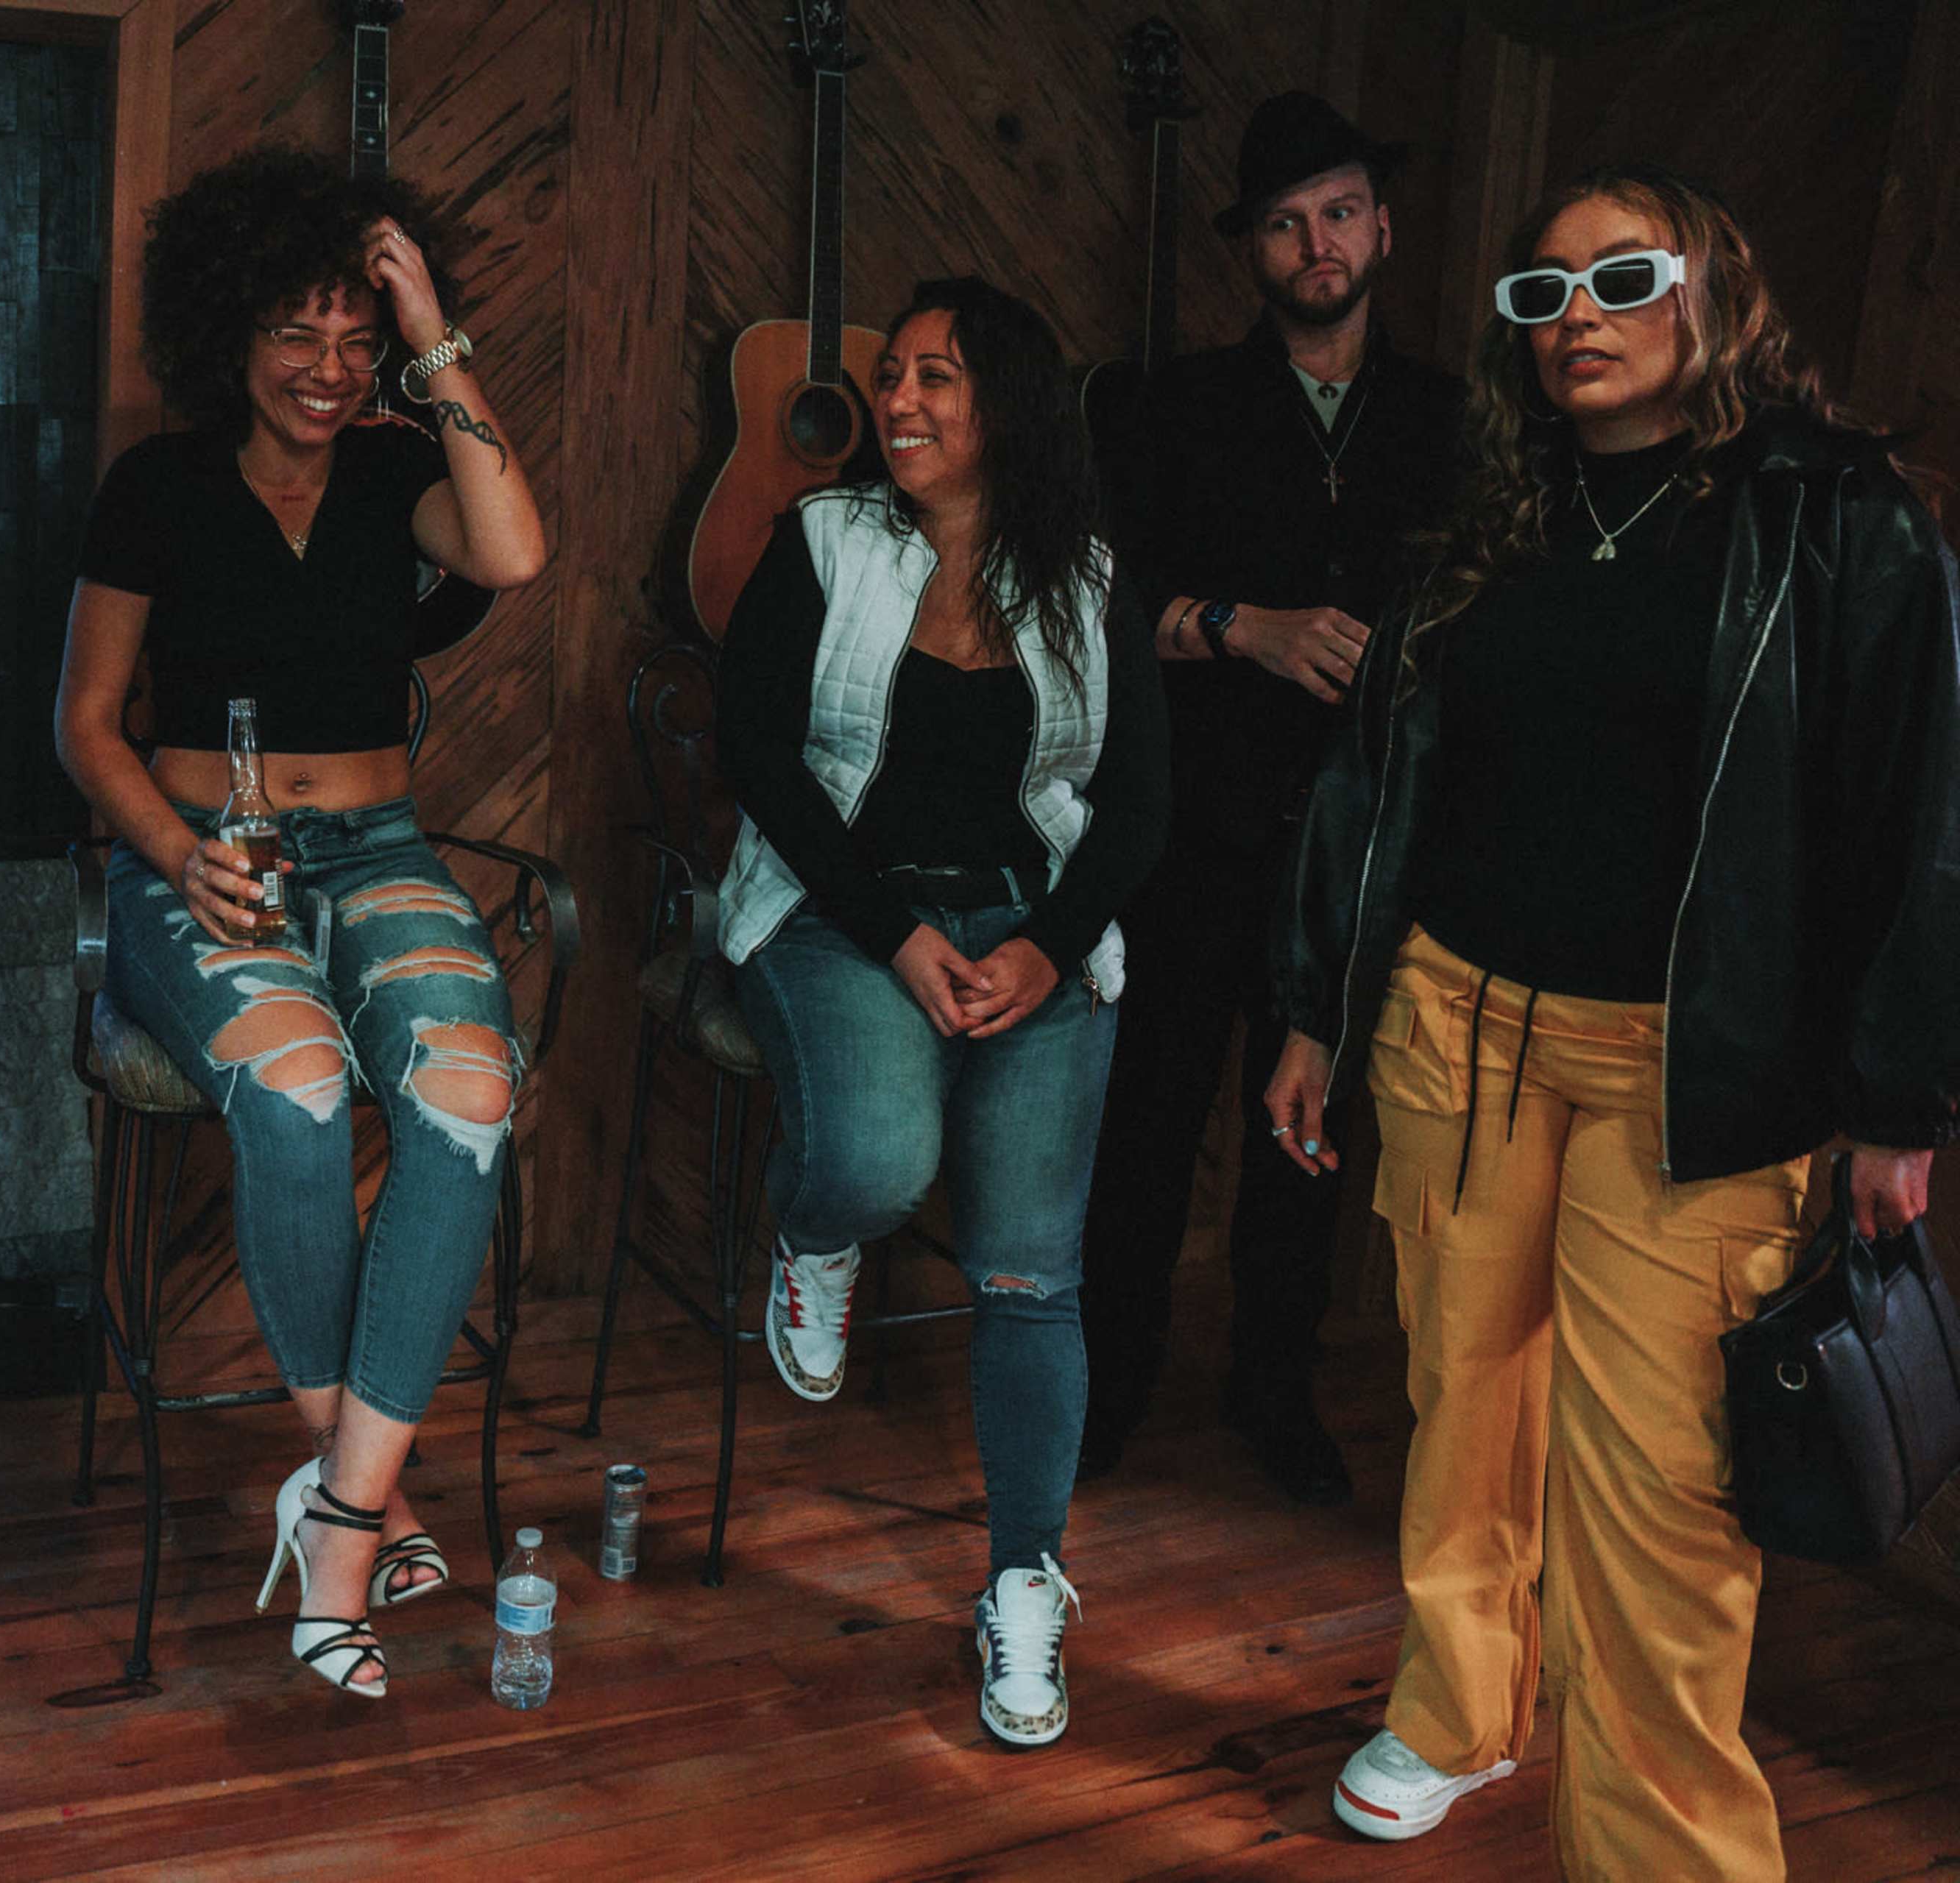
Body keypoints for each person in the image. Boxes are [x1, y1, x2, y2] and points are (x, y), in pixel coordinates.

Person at [1265, 164, 1958, 1877]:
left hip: (1694, 1074)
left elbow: (1923, 814)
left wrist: (1900, 1095)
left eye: (1620, 277)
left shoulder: (1838, 517)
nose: (1574, 315)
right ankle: (1458, 1709)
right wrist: (1316, 1008)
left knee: (1660, 1494)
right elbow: (1376, 789)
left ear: (1714, 289)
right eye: (1541, 294)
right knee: (1463, 1406)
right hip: (1456, 1025)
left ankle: (1667, 1855)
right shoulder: (1491, 519)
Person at [54, 147, 545, 1698]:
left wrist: (430, 327)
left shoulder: (407, 468)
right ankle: (375, 1488)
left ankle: (336, 1506)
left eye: (357, 336)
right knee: (299, 1082)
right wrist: (174, 856)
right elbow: (85, 722)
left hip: (379, 845)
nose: (330, 372)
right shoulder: (159, 485)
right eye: (297, 332)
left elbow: (519, 553)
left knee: (471, 1089)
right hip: (195, 853)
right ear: (229, 332)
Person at [715, 277, 1170, 1747]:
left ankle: (1023, 1582)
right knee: (876, 1162)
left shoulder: (1090, 578)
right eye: (893, 374)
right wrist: (898, 933)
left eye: (936, 379)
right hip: (843, 911)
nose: (898, 402)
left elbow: (1139, 805)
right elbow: (759, 757)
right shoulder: (824, 541)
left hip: (1028, 936)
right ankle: (815, 1230)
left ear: (1008, 409)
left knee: (1032, 1274)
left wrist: (1046, 946)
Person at [1078, 91, 1466, 1506]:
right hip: (1189, 824)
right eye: (1289, 221)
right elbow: (1101, 606)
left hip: (1357, 842)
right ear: (1254, 250)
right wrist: (1245, 625)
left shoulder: (1444, 419)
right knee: (1148, 1128)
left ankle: (1271, 1389)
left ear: (1382, 226)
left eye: (1341, 211)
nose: (1319, 241)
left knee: (1308, 1142)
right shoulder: (1172, 404)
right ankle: (1109, 1384)